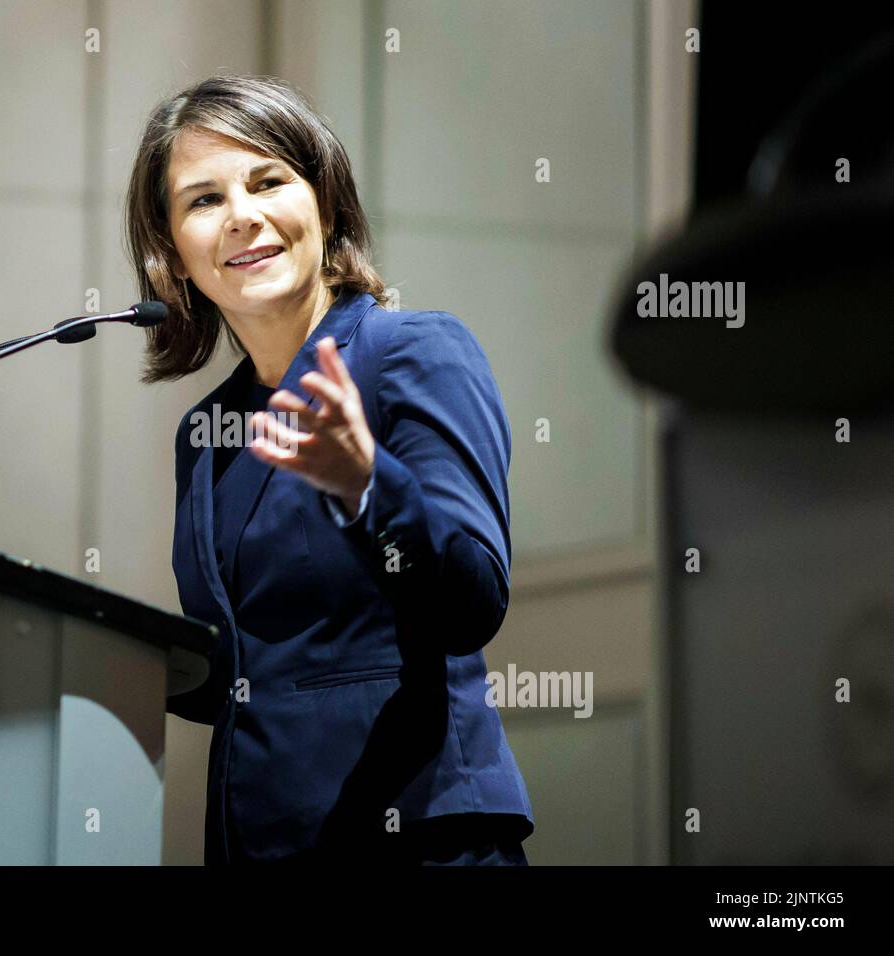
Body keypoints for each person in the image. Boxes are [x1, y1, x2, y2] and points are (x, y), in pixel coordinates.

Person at [124, 73, 534, 865]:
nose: (242, 215)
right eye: (203, 200)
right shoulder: (206, 433)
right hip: (263, 843)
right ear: (170, 255)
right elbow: (246, 667)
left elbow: (472, 600)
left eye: (270, 181)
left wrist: (368, 485)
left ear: (326, 205)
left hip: (416, 832)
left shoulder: (412, 352)